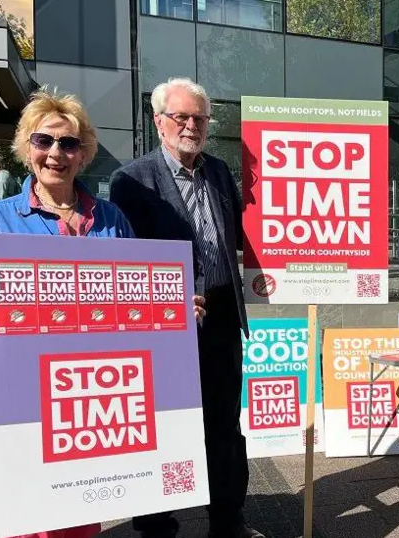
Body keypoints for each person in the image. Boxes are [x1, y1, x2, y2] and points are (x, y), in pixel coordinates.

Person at [0, 89, 195, 538]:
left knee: (83, 508)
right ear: (27, 147)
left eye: (68, 144)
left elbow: (133, 296)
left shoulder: (111, 219)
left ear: (83, 154)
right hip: (26, 390)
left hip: (92, 393)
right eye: (44, 140)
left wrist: (175, 310)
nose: (56, 153)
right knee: (29, 513)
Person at [109, 78, 259, 538]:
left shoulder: (218, 171)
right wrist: (165, 301)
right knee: (161, 426)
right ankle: (157, 527)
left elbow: (239, 231)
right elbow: (125, 263)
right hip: (164, 326)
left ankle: (227, 521)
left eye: (199, 118)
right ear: (159, 122)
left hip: (221, 315)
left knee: (223, 424)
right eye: (181, 117)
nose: (191, 125)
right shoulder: (131, 180)